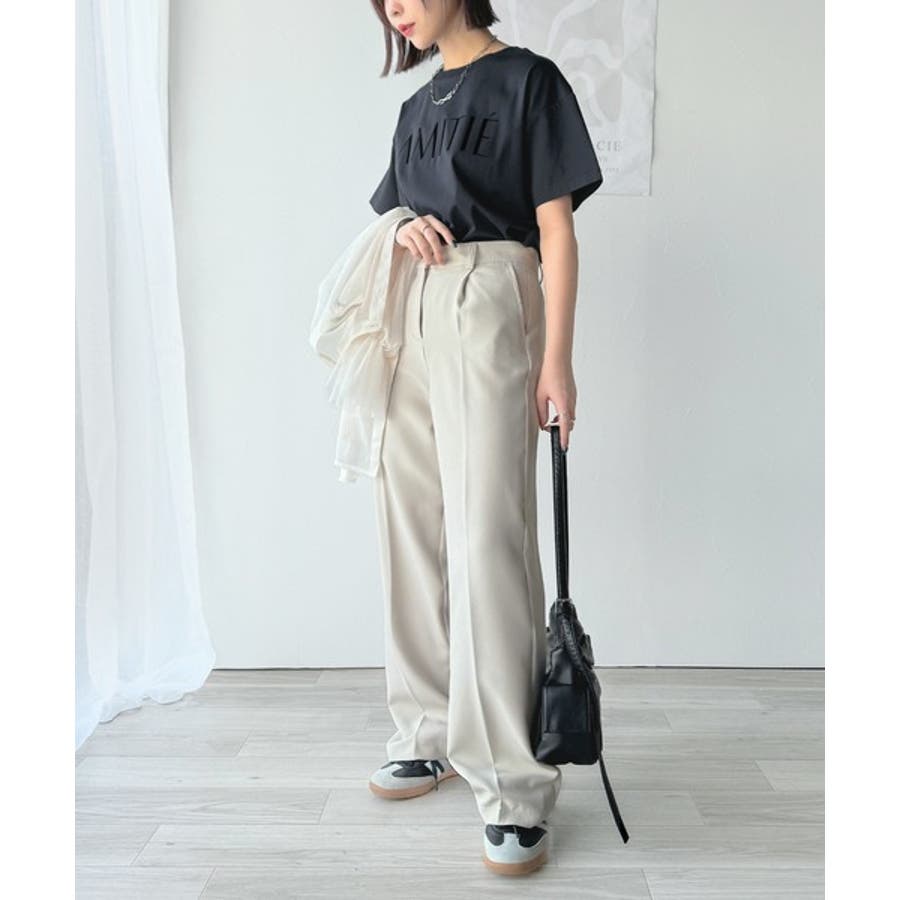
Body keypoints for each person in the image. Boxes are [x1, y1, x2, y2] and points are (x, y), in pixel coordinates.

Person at [365, 0, 604, 876]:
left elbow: (557, 230)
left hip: (492, 299)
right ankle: (426, 728)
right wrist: (402, 227)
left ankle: (513, 780)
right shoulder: (413, 108)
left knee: (488, 536)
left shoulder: (529, 81)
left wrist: (558, 360)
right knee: (410, 524)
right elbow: (394, 213)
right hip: (412, 307)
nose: (394, 6)